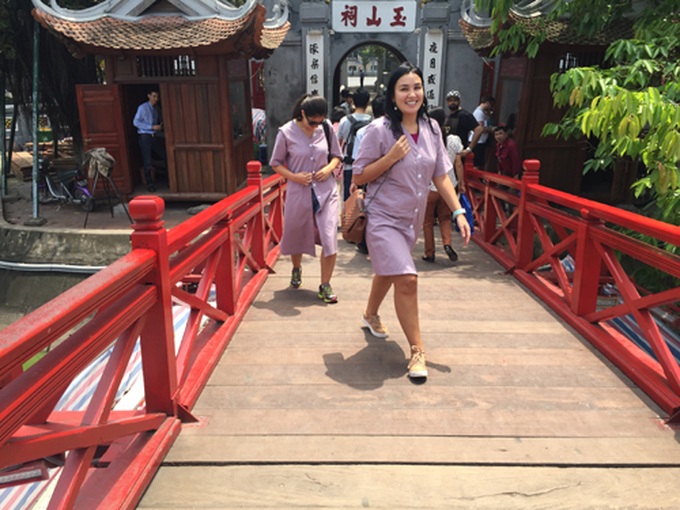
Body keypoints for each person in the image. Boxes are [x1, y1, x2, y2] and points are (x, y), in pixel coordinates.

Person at [352, 62, 472, 379]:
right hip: (382, 218)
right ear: (393, 95)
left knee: (390, 271)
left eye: (416, 87)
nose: (412, 93)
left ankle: (370, 313)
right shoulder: (381, 130)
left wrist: (458, 211)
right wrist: (390, 157)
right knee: (407, 278)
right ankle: (418, 350)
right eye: (404, 88)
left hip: (412, 221)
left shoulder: (432, 128)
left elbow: (441, 175)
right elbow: (359, 175)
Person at [269, 95, 343, 304]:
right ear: (302, 114)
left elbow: (337, 155)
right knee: (297, 234)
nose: (316, 125)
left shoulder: (326, 128)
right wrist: (294, 176)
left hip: (326, 191)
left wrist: (328, 168)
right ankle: (296, 268)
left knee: (329, 238)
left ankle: (325, 285)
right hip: (299, 192)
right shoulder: (286, 133)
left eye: (320, 121)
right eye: (312, 121)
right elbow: (276, 163)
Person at [421, 107, 466, 263]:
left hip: (430, 187)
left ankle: (429, 252)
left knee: (427, 221)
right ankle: (447, 244)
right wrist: (461, 183)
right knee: (445, 218)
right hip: (449, 185)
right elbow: (458, 163)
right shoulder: (453, 140)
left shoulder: (426, 139)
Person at [350, 95, 387, 255]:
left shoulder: (363, 131)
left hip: (368, 176)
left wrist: (354, 180)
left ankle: (365, 242)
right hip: (388, 178)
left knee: (367, 209)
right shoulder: (399, 130)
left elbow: (357, 158)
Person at [337, 87, 372, 202]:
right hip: (368, 169)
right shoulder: (373, 123)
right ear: (367, 103)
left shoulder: (344, 121)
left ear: (352, 101)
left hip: (349, 166)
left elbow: (339, 145)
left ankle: (348, 220)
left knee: (349, 202)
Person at [133, 89, 166, 192]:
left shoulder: (156, 108)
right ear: (149, 96)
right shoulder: (142, 108)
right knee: (147, 160)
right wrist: (151, 127)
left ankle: (165, 178)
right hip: (145, 136)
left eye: (157, 97)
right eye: (154, 96)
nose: (156, 99)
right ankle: (149, 184)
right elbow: (136, 122)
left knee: (164, 155)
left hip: (154, 135)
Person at [469, 95, 496, 169]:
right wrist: (491, 129)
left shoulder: (482, 113)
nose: (491, 108)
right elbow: (480, 129)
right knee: (476, 164)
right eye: (491, 105)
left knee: (479, 163)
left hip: (481, 142)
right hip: (478, 142)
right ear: (487, 103)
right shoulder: (479, 113)